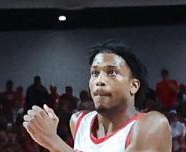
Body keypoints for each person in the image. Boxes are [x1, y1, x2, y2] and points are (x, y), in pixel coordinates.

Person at [26, 41, 170, 152]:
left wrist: (53, 141)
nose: (99, 81)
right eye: (95, 73)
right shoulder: (79, 122)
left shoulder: (153, 124)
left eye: (112, 73)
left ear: (134, 86)